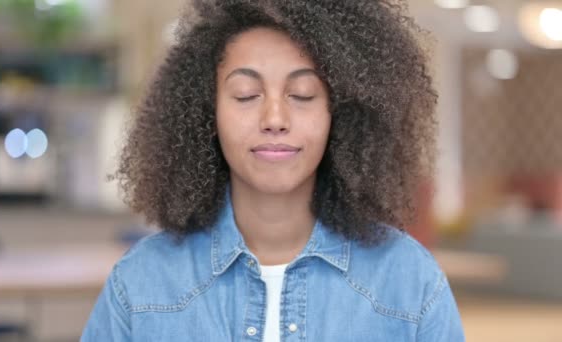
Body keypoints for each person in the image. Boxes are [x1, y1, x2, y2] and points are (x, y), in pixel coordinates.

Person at [81, 0, 465, 341]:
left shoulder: (410, 282)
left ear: (340, 114)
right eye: (247, 95)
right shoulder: (141, 283)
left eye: (302, 95)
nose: (275, 118)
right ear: (206, 113)